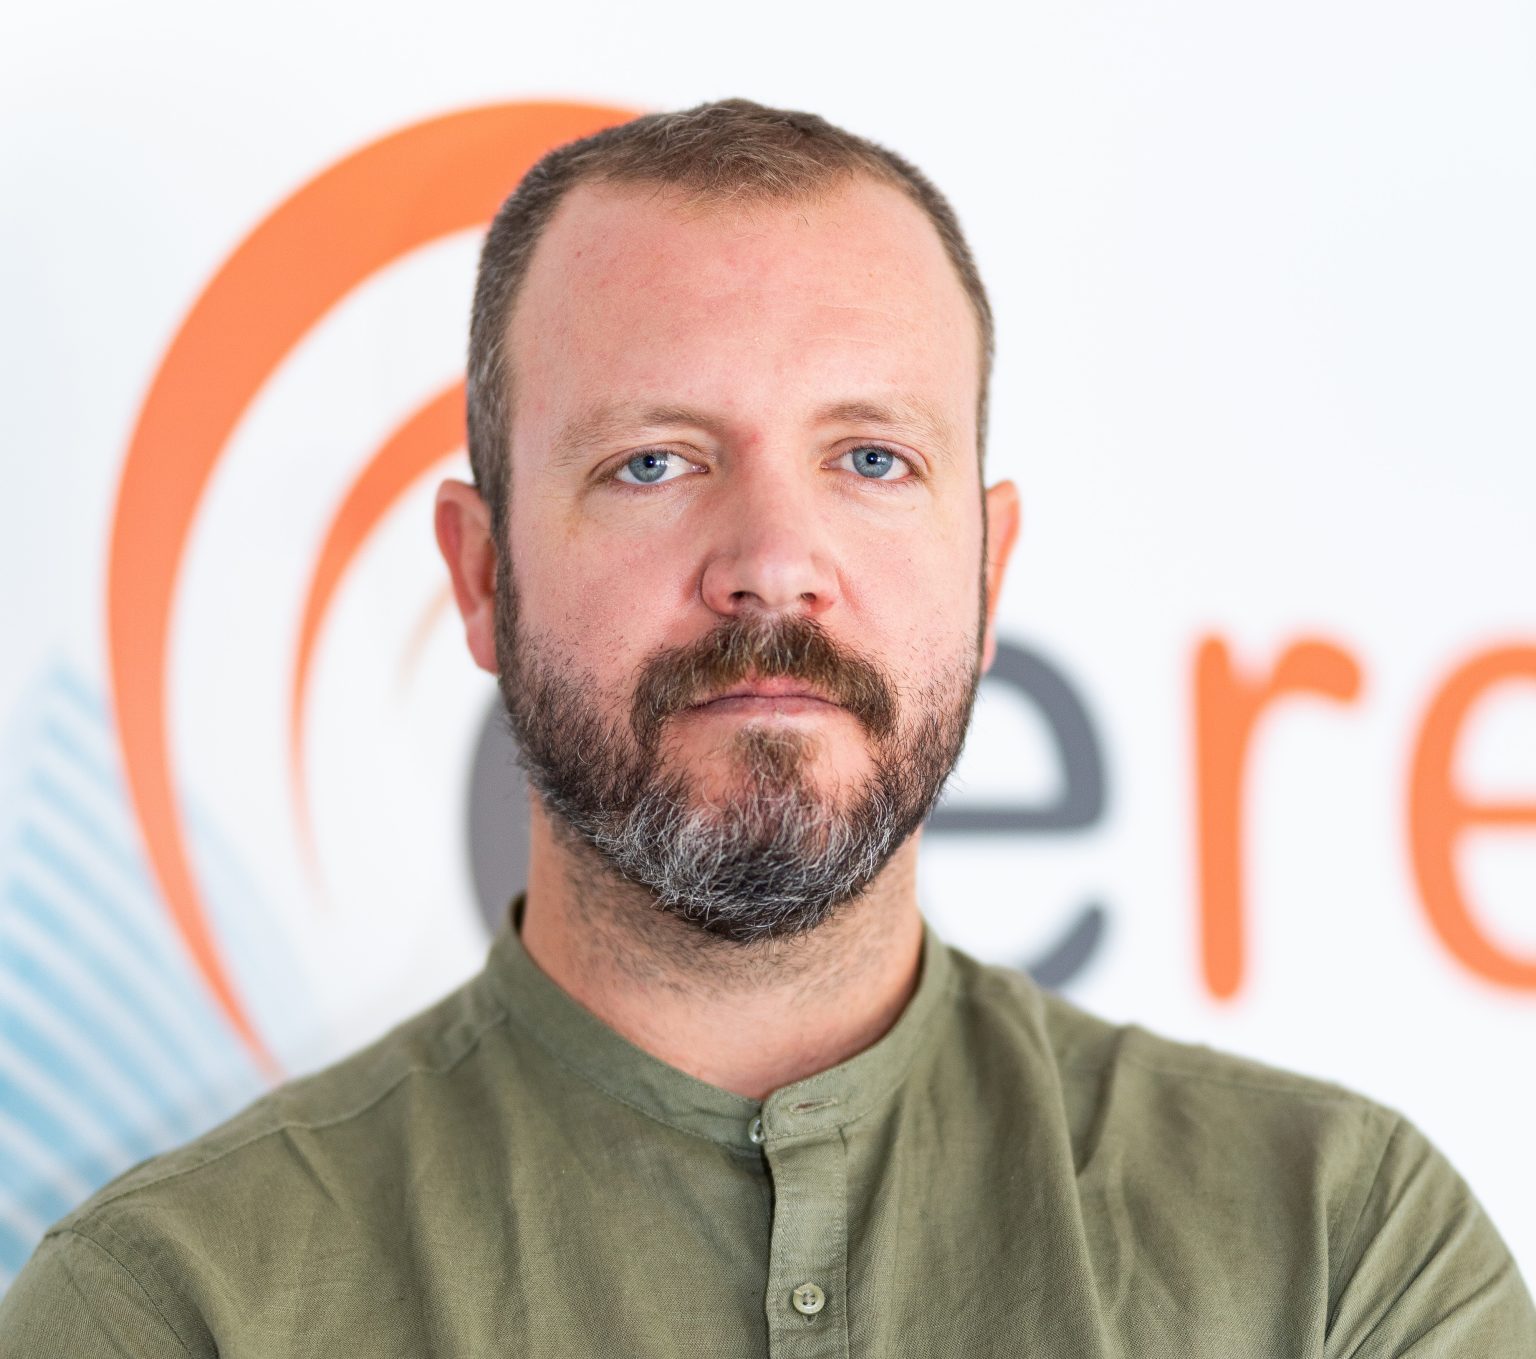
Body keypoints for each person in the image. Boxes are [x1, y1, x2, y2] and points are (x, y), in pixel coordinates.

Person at [1, 97, 1531, 1357]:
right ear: (481, 577)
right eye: (654, 463)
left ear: (988, 573)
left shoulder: (1339, 1254)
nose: (774, 563)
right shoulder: (175, 1310)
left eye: (869, 459)